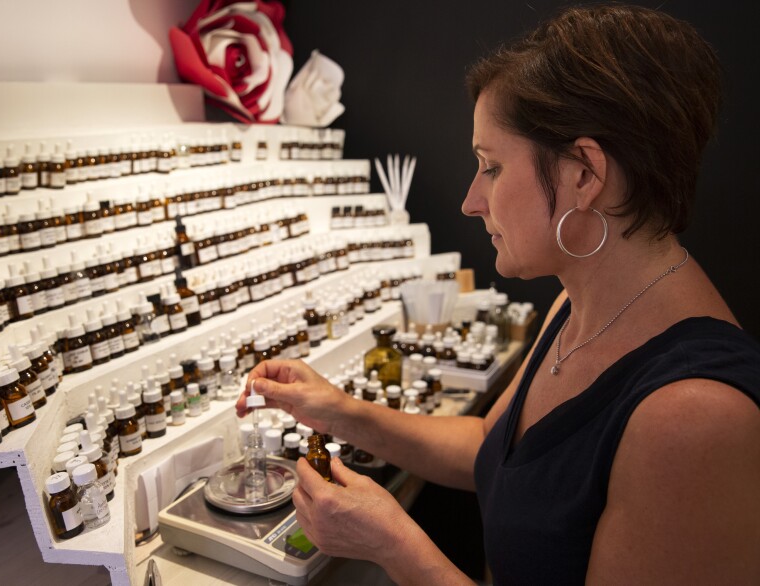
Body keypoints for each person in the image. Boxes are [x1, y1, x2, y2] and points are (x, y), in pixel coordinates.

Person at [236, 5, 760, 584]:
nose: (470, 201)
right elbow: (493, 447)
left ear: (583, 175)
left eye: (490, 167)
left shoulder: (694, 418)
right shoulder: (575, 307)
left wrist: (394, 544)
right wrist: (339, 412)